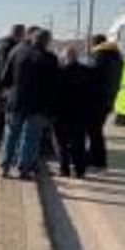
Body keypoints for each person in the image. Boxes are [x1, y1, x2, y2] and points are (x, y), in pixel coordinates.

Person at [0, 28, 58, 179]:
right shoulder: (50, 58)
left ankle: (4, 167)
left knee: (11, 135)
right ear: (46, 42)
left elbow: (5, 78)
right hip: (37, 106)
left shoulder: (16, 52)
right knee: (30, 138)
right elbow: (53, 88)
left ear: (32, 38)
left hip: (15, 102)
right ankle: (24, 170)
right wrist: (51, 111)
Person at [53, 46, 91, 178]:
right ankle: (80, 171)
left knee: (61, 143)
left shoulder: (59, 72)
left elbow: (54, 95)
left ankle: (64, 169)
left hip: (61, 115)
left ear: (65, 57)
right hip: (80, 115)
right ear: (77, 57)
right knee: (79, 144)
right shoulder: (86, 72)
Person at [87, 33, 124, 168]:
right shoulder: (117, 57)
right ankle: (96, 159)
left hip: (96, 100)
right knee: (97, 130)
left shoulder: (100, 56)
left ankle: (97, 160)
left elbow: (93, 77)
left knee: (94, 131)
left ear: (95, 44)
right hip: (109, 100)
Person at [0, 24, 27, 146]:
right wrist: (6, 87)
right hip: (0, 83)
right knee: (1, 112)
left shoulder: (1, 44)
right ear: (19, 34)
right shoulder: (8, 47)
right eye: (23, 35)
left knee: (0, 111)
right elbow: (4, 67)